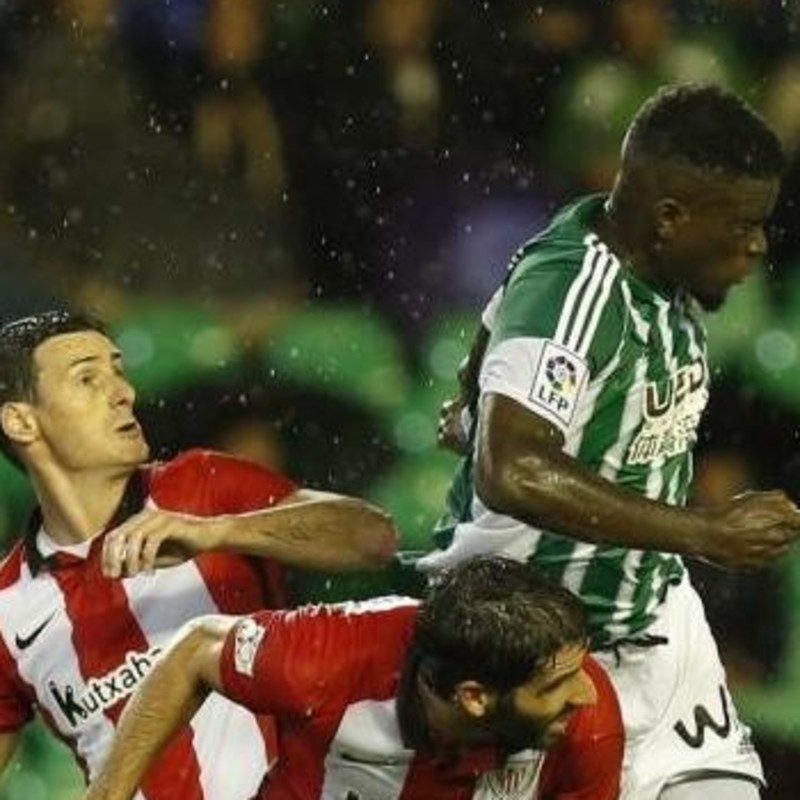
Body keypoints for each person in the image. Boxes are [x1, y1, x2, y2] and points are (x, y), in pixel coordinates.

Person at [417, 83, 800, 799]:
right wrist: (705, 532)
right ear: (670, 218)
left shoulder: (661, 274)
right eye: (743, 224)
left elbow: (488, 386)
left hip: (657, 634)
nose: (757, 244)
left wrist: (474, 412)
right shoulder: (573, 287)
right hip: (529, 661)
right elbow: (511, 468)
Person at [0, 310, 398, 799]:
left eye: (119, 371)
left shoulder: (202, 486)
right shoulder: (7, 610)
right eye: (88, 378)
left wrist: (219, 532)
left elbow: (373, 538)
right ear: (21, 421)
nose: (124, 392)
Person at [83, 556, 623, 800]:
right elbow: (195, 650)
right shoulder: (326, 660)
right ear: (474, 697)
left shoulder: (588, 725)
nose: (585, 693)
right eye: (554, 688)